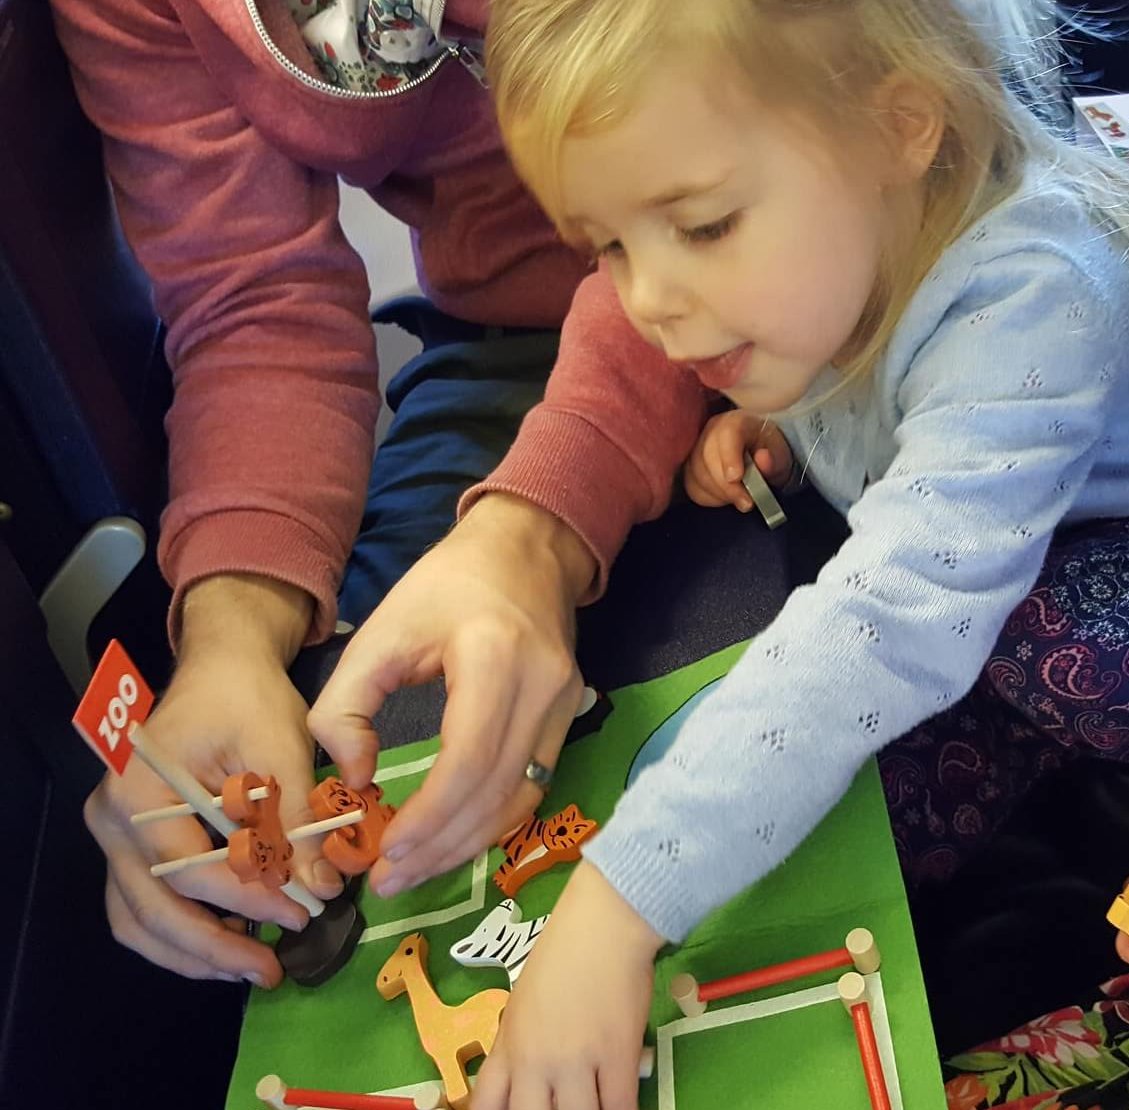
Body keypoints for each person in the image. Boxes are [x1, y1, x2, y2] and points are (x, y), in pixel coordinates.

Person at [308, 0, 1129, 1105]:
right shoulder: (836, 257)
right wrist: (787, 426)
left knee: (1037, 639)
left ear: (902, 125)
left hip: (1062, 594)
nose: (645, 301)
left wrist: (618, 906)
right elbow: (896, 405)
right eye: (608, 247)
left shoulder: (1032, 290)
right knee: (804, 821)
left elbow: (892, 615)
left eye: (701, 227)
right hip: (981, 601)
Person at [52, 0, 699, 988]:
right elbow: (254, 300)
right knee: (371, 709)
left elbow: (747, 135)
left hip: (783, 229)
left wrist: (541, 523)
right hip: (518, 337)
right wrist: (231, 638)